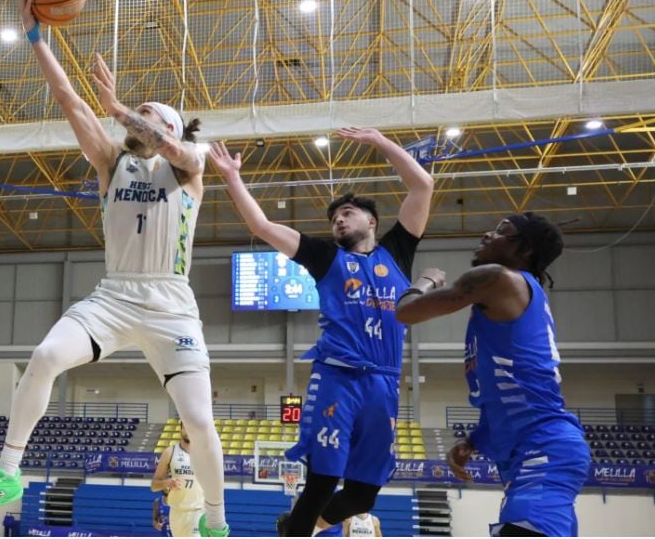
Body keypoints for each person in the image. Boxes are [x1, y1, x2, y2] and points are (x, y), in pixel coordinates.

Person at [0, 0, 230, 539]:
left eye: (150, 116)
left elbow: (175, 145)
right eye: (137, 114)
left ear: (169, 129)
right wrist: (36, 38)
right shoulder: (112, 162)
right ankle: (6, 472)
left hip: (171, 303)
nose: (137, 121)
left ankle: (217, 524)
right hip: (114, 295)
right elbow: (69, 101)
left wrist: (123, 108)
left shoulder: (190, 167)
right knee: (43, 356)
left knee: (199, 421)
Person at [209, 128, 434, 537]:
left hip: (384, 383)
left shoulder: (397, 251)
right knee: (321, 481)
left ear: (371, 221)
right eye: (334, 218)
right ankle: (296, 527)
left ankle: (293, 527)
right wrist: (231, 177)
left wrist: (380, 141)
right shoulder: (326, 256)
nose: (338, 221)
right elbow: (260, 225)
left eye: (346, 214)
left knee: (363, 497)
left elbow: (423, 184)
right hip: (338, 376)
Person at [394, 213, 589, 537]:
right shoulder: (515, 300)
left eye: (502, 231)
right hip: (533, 451)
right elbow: (510, 396)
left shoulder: (500, 278)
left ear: (524, 249)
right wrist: (473, 441)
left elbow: (406, 313)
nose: (487, 233)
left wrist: (424, 281)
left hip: (544, 449)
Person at [151, 422, 203, 537]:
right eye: (186, 427)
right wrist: (166, 482)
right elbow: (154, 485)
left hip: (198, 511)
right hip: (176, 512)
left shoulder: (205, 453)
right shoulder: (170, 452)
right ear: (181, 430)